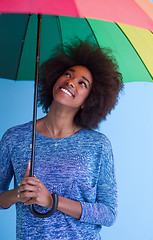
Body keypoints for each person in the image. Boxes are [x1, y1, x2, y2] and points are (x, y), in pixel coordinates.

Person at [0, 40, 123, 240]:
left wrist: (52, 201)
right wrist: (19, 194)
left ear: (89, 101)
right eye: (68, 74)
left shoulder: (98, 145)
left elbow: (108, 214)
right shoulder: (15, 137)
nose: (71, 81)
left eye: (82, 83)